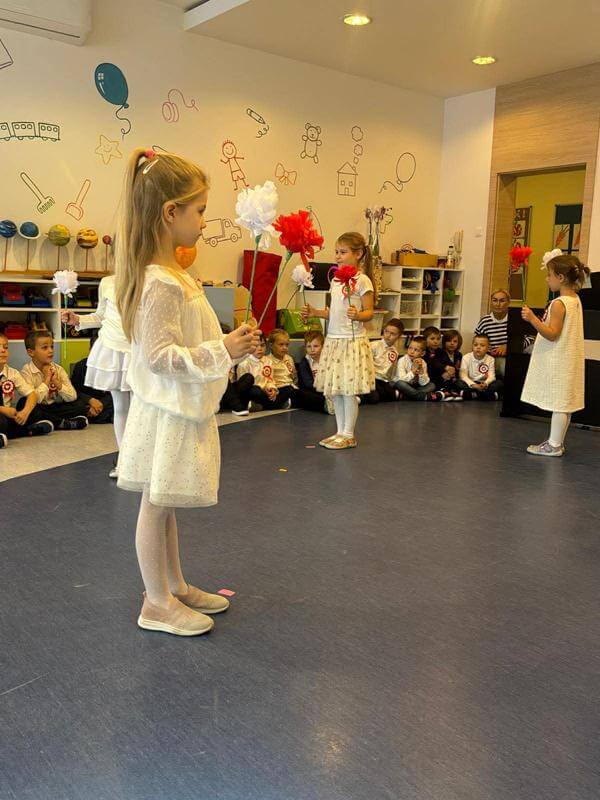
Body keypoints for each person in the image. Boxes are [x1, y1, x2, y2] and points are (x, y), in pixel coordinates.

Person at [114, 147, 258, 637]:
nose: (203, 221)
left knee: (166, 500)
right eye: (199, 210)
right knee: (155, 506)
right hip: (167, 411)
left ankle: (172, 584)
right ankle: (155, 602)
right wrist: (223, 351)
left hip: (178, 407)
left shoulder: (176, 274)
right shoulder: (160, 282)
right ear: (170, 213)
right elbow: (160, 357)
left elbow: (187, 340)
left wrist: (229, 344)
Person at [302, 231, 376, 449]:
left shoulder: (362, 280)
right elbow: (334, 312)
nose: (337, 256)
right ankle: (339, 432)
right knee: (335, 389)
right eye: (336, 252)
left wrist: (358, 315)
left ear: (358, 254)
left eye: (343, 252)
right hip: (334, 340)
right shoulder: (335, 280)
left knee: (347, 389)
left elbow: (369, 312)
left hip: (350, 342)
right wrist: (315, 312)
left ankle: (349, 434)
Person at [62, 272, 131, 478]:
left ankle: (142, 460)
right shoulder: (108, 282)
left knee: (141, 408)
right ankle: (125, 461)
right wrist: (78, 319)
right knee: (120, 407)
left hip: (138, 350)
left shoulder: (149, 278)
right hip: (114, 351)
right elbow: (101, 316)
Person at [521, 254, 589, 456]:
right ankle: (556, 442)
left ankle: (554, 445)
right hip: (569, 358)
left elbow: (552, 333)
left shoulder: (559, 303)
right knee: (564, 403)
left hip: (560, 359)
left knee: (559, 403)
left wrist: (532, 319)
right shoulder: (575, 299)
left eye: (549, 275)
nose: (547, 279)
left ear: (560, 277)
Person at [21, 331, 90, 429]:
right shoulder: (26, 371)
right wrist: (47, 379)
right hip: (38, 407)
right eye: (45, 347)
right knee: (24, 404)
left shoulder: (58, 369)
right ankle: (63, 423)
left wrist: (57, 382)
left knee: (80, 406)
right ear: (31, 352)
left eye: (52, 347)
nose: (50, 351)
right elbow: (33, 400)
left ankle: (52, 421)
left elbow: (72, 397)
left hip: (54, 407)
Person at [0, 333, 53, 446]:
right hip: (2, 415)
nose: (3, 350)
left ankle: (6, 434)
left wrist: (25, 412)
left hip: (8, 417)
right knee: (2, 421)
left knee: (30, 406)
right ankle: (29, 431)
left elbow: (32, 394)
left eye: (5, 347)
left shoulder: (12, 373)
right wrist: (3, 410)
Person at [238, 331, 290, 411]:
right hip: (253, 392)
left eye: (262, 345)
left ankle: (261, 405)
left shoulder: (268, 361)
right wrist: (262, 389)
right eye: (256, 346)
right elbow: (242, 386)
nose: (260, 349)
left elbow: (270, 380)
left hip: (265, 393)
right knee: (255, 391)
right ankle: (274, 404)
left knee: (287, 390)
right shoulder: (244, 363)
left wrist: (271, 389)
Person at [361, 318, 404, 404]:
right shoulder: (374, 345)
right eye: (386, 331)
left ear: (398, 336)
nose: (388, 335)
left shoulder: (395, 352)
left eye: (392, 334)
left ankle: (387, 393)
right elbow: (365, 363)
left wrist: (391, 381)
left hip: (383, 380)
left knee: (390, 395)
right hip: (372, 378)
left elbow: (391, 371)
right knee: (375, 397)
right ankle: (359, 398)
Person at [474, 289, 510, 375]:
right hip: (489, 357)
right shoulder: (485, 321)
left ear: (508, 303)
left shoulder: (514, 319)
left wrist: (507, 346)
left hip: (510, 357)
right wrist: (488, 350)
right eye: (495, 300)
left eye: (502, 301)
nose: (498, 304)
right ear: (491, 302)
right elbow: (476, 343)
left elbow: (529, 339)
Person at [292, 329, 329, 413]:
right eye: (309, 346)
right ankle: (325, 404)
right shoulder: (304, 362)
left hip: (328, 390)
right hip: (314, 391)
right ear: (305, 347)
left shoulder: (328, 361)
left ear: (323, 346)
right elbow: (308, 384)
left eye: (316, 346)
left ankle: (355, 399)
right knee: (301, 395)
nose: (312, 350)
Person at [393, 335, 438, 400]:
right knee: (399, 383)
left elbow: (423, 383)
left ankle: (408, 396)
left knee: (432, 385)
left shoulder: (423, 363)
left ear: (422, 353)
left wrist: (421, 373)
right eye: (410, 348)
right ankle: (422, 397)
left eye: (416, 350)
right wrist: (413, 372)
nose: (412, 352)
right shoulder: (402, 360)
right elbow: (401, 379)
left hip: (415, 387)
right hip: (404, 384)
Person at [457, 334, 502, 400]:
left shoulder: (491, 359)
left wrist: (485, 383)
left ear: (488, 348)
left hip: (483, 383)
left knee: (498, 383)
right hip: (471, 383)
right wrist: (473, 385)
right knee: (459, 382)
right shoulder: (466, 357)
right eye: (475, 345)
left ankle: (473, 395)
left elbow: (492, 376)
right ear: (472, 346)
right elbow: (463, 376)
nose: (478, 347)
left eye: (482, 345)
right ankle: (487, 395)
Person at [430, 329, 463, 400]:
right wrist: (445, 371)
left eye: (455, 341)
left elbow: (458, 368)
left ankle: (455, 392)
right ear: (444, 342)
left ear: (458, 343)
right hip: (441, 378)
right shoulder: (439, 353)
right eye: (449, 341)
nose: (452, 343)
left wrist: (454, 373)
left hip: (454, 379)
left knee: (461, 383)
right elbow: (435, 365)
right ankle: (444, 392)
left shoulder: (459, 355)